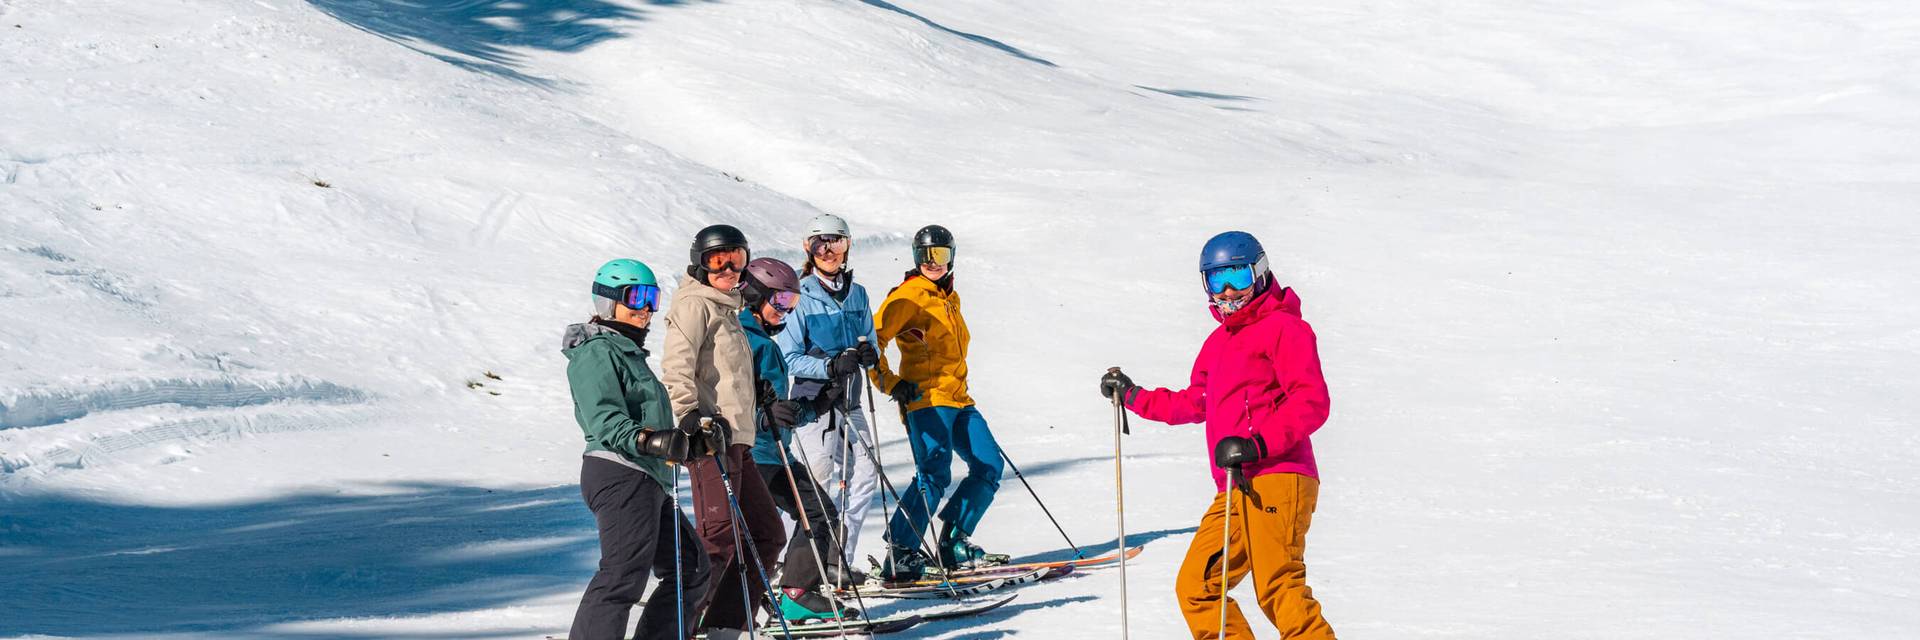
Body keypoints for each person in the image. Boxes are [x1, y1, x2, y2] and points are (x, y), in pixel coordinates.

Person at [1099, 231, 1336, 640]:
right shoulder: (1219, 342)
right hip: (1233, 485)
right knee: (1197, 587)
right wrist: (1133, 396)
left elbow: (1311, 401)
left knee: (1278, 585)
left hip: (1278, 474)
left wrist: (1257, 444)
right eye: (1216, 279)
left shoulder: (1285, 328)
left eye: (1238, 277)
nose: (1227, 291)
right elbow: (1196, 402)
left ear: (1260, 273)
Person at [562, 258, 711, 640]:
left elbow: (649, 424)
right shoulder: (596, 352)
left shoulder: (627, 352)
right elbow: (604, 418)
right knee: (622, 575)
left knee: (691, 568)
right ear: (608, 301)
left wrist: (685, 444)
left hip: (647, 476)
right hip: (619, 471)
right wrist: (648, 440)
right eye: (636, 297)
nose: (646, 308)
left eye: (652, 298)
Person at [660, 225, 786, 637]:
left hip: (737, 441)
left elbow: (723, 373)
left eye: (737, 260)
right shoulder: (694, 305)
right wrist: (688, 415)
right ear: (700, 263)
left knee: (766, 535)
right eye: (718, 261)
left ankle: (723, 626)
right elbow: (677, 367)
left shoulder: (727, 309)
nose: (729, 270)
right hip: (710, 441)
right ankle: (677, 629)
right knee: (716, 541)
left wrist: (755, 390)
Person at [870, 224, 1009, 580]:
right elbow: (872, 341)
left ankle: (953, 543)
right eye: (925, 255)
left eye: (940, 255)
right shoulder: (908, 296)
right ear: (915, 257)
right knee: (933, 475)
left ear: (952, 257)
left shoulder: (949, 297)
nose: (933, 262)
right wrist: (891, 382)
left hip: (959, 399)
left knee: (989, 464)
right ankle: (901, 552)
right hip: (926, 400)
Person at [737, 257, 861, 623]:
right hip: (755, 454)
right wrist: (763, 419)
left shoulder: (763, 342)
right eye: (780, 301)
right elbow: (733, 403)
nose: (786, 311)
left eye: (792, 303)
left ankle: (781, 594)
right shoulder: (744, 342)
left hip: (775, 452)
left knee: (804, 517)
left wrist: (819, 403)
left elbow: (779, 412)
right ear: (755, 296)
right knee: (813, 515)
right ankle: (792, 594)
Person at [773, 213, 884, 569]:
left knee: (866, 473)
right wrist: (829, 366)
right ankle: (791, 564)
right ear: (808, 248)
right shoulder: (800, 294)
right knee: (816, 482)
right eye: (820, 243)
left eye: (836, 242)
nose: (828, 250)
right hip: (814, 404)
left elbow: (872, 341)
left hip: (850, 401)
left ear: (847, 246)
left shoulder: (858, 294)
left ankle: (838, 558)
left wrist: (869, 354)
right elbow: (790, 357)